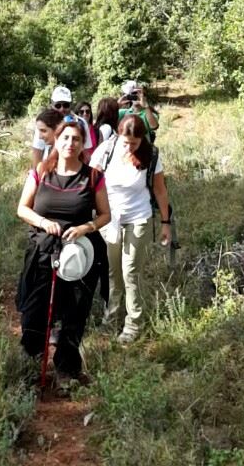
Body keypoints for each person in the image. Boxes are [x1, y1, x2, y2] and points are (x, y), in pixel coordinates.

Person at [17, 118, 111, 386]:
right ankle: (30, 369)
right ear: (56, 141)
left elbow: (105, 215)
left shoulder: (93, 176)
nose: (70, 143)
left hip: (79, 256)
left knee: (74, 314)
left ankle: (66, 370)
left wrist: (86, 227)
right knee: (34, 312)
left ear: (84, 144)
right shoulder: (41, 171)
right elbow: (23, 208)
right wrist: (43, 222)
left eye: (77, 139)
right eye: (66, 138)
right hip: (43, 251)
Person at [90, 114, 171, 344]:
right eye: (125, 142)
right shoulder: (106, 150)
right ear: (117, 134)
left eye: (133, 144)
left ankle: (134, 323)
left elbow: (160, 191)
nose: (128, 147)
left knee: (130, 271)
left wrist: (166, 223)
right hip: (110, 220)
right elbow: (90, 180)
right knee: (113, 272)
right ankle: (112, 317)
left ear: (142, 139)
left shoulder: (152, 154)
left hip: (138, 218)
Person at [31, 86, 93, 166]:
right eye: (58, 105)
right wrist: (36, 174)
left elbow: (86, 151)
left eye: (66, 105)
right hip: (49, 168)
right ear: (52, 104)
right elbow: (37, 151)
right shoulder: (44, 123)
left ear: (71, 104)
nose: (62, 109)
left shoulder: (81, 122)